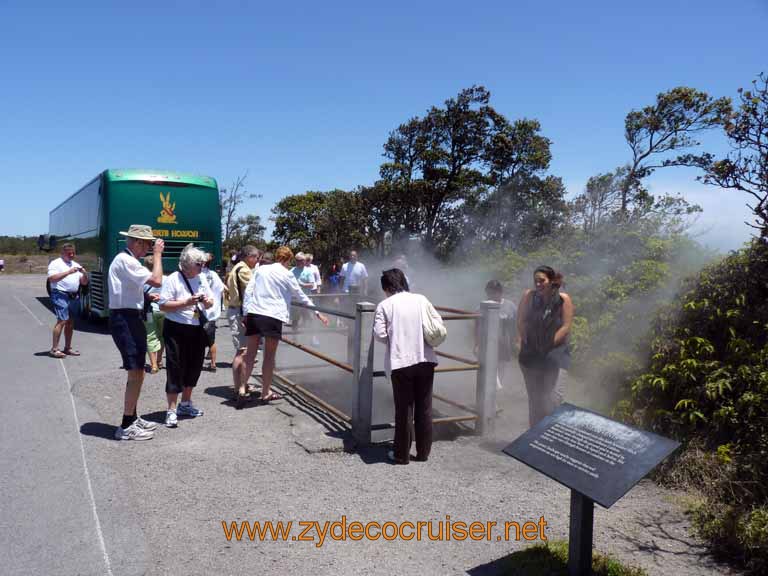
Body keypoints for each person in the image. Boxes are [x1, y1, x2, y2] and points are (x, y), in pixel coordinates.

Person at [237, 246, 329, 408]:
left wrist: (246, 313)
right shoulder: (287, 274)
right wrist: (317, 312)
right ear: (288, 260)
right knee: (269, 357)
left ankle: (242, 388)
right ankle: (265, 392)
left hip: (254, 313)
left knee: (249, 354)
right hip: (273, 316)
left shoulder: (261, 270)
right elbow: (300, 295)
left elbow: (249, 291)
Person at [373, 268, 440, 465]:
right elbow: (436, 323)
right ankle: (423, 453)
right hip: (426, 358)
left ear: (386, 287)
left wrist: (396, 339)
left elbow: (379, 335)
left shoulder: (385, 305)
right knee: (424, 407)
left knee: (403, 409)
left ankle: (401, 454)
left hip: (401, 361)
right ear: (403, 282)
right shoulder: (421, 299)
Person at [108, 224, 164, 441]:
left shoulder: (127, 260)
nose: (149, 249)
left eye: (152, 246)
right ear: (138, 242)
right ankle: (125, 425)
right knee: (135, 372)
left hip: (131, 316)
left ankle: (132, 417)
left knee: (139, 370)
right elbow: (157, 280)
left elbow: (129, 289)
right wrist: (158, 256)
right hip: (125, 318)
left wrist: (146, 298)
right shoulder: (126, 260)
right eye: (148, 245)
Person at [158, 245, 214, 428]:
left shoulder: (201, 278)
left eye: (203, 264)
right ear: (187, 264)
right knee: (175, 367)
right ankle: (171, 410)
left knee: (194, 366)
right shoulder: (173, 279)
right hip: (175, 328)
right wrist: (185, 302)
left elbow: (211, 301)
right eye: (199, 264)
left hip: (196, 328)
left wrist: (206, 301)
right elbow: (163, 305)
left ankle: (185, 403)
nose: (202, 267)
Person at [517, 266, 573, 428]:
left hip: (555, 356)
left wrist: (547, 344)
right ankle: (533, 436)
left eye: (542, 280)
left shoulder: (563, 299)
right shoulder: (529, 296)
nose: (538, 284)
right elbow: (520, 321)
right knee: (535, 399)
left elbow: (566, 326)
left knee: (553, 398)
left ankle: (550, 438)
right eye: (536, 281)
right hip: (531, 356)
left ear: (551, 281)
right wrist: (527, 341)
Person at [227, 246, 260, 396]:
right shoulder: (244, 270)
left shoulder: (238, 267)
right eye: (256, 257)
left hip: (236, 311)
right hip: (239, 313)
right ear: (248, 257)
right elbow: (254, 289)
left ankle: (241, 385)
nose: (257, 260)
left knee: (242, 350)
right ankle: (238, 387)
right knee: (242, 352)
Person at [47, 243, 89, 358]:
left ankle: (67, 348)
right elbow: (51, 279)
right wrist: (68, 272)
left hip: (73, 296)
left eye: (73, 253)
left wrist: (85, 274)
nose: (71, 255)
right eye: (69, 253)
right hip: (60, 294)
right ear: (63, 253)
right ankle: (54, 349)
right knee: (62, 320)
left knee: (70, 322)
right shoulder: (56, 263)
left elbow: (84, 282)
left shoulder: (76, 264)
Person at [475, 280, 517, 390]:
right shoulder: (482, 306)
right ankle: (490, 396)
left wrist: (516, 341)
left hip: (504, 343)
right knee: (490, 369)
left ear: (500, 292)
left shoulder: (510, 306)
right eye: (489, 293)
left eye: (494, 292)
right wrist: (477, 344)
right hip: (487, 343)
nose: (491, 295)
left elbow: (516, 324)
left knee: (502, 368)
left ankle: (495, 395)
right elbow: (477, 326)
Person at [201, 253, 226, 372]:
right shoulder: (214, 275)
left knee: (198, 339)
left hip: (200, 311)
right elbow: (221, 289)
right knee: (212, 339)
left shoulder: (197, 275)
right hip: (212, 311)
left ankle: (197, 362)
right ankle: (213, 363)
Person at [142, 255, 166, 374]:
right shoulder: (165, 278)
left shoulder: (143, 279)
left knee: (151, 336)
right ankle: (160, 360)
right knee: (162, 336)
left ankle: (154, 365)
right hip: (164, 311)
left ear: (145, 266)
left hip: (149, 311)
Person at [290, 252, 317, 331]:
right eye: (297, 260)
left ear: (305, 261)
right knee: (295, 319)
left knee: (309, 317)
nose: (299, 262)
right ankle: (294, 337)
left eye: (301, 260)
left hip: (306, 298)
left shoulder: (308, 271)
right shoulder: (292, 271)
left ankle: (311, 336)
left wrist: (302, 284)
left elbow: (312, 285)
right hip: (295, 298)